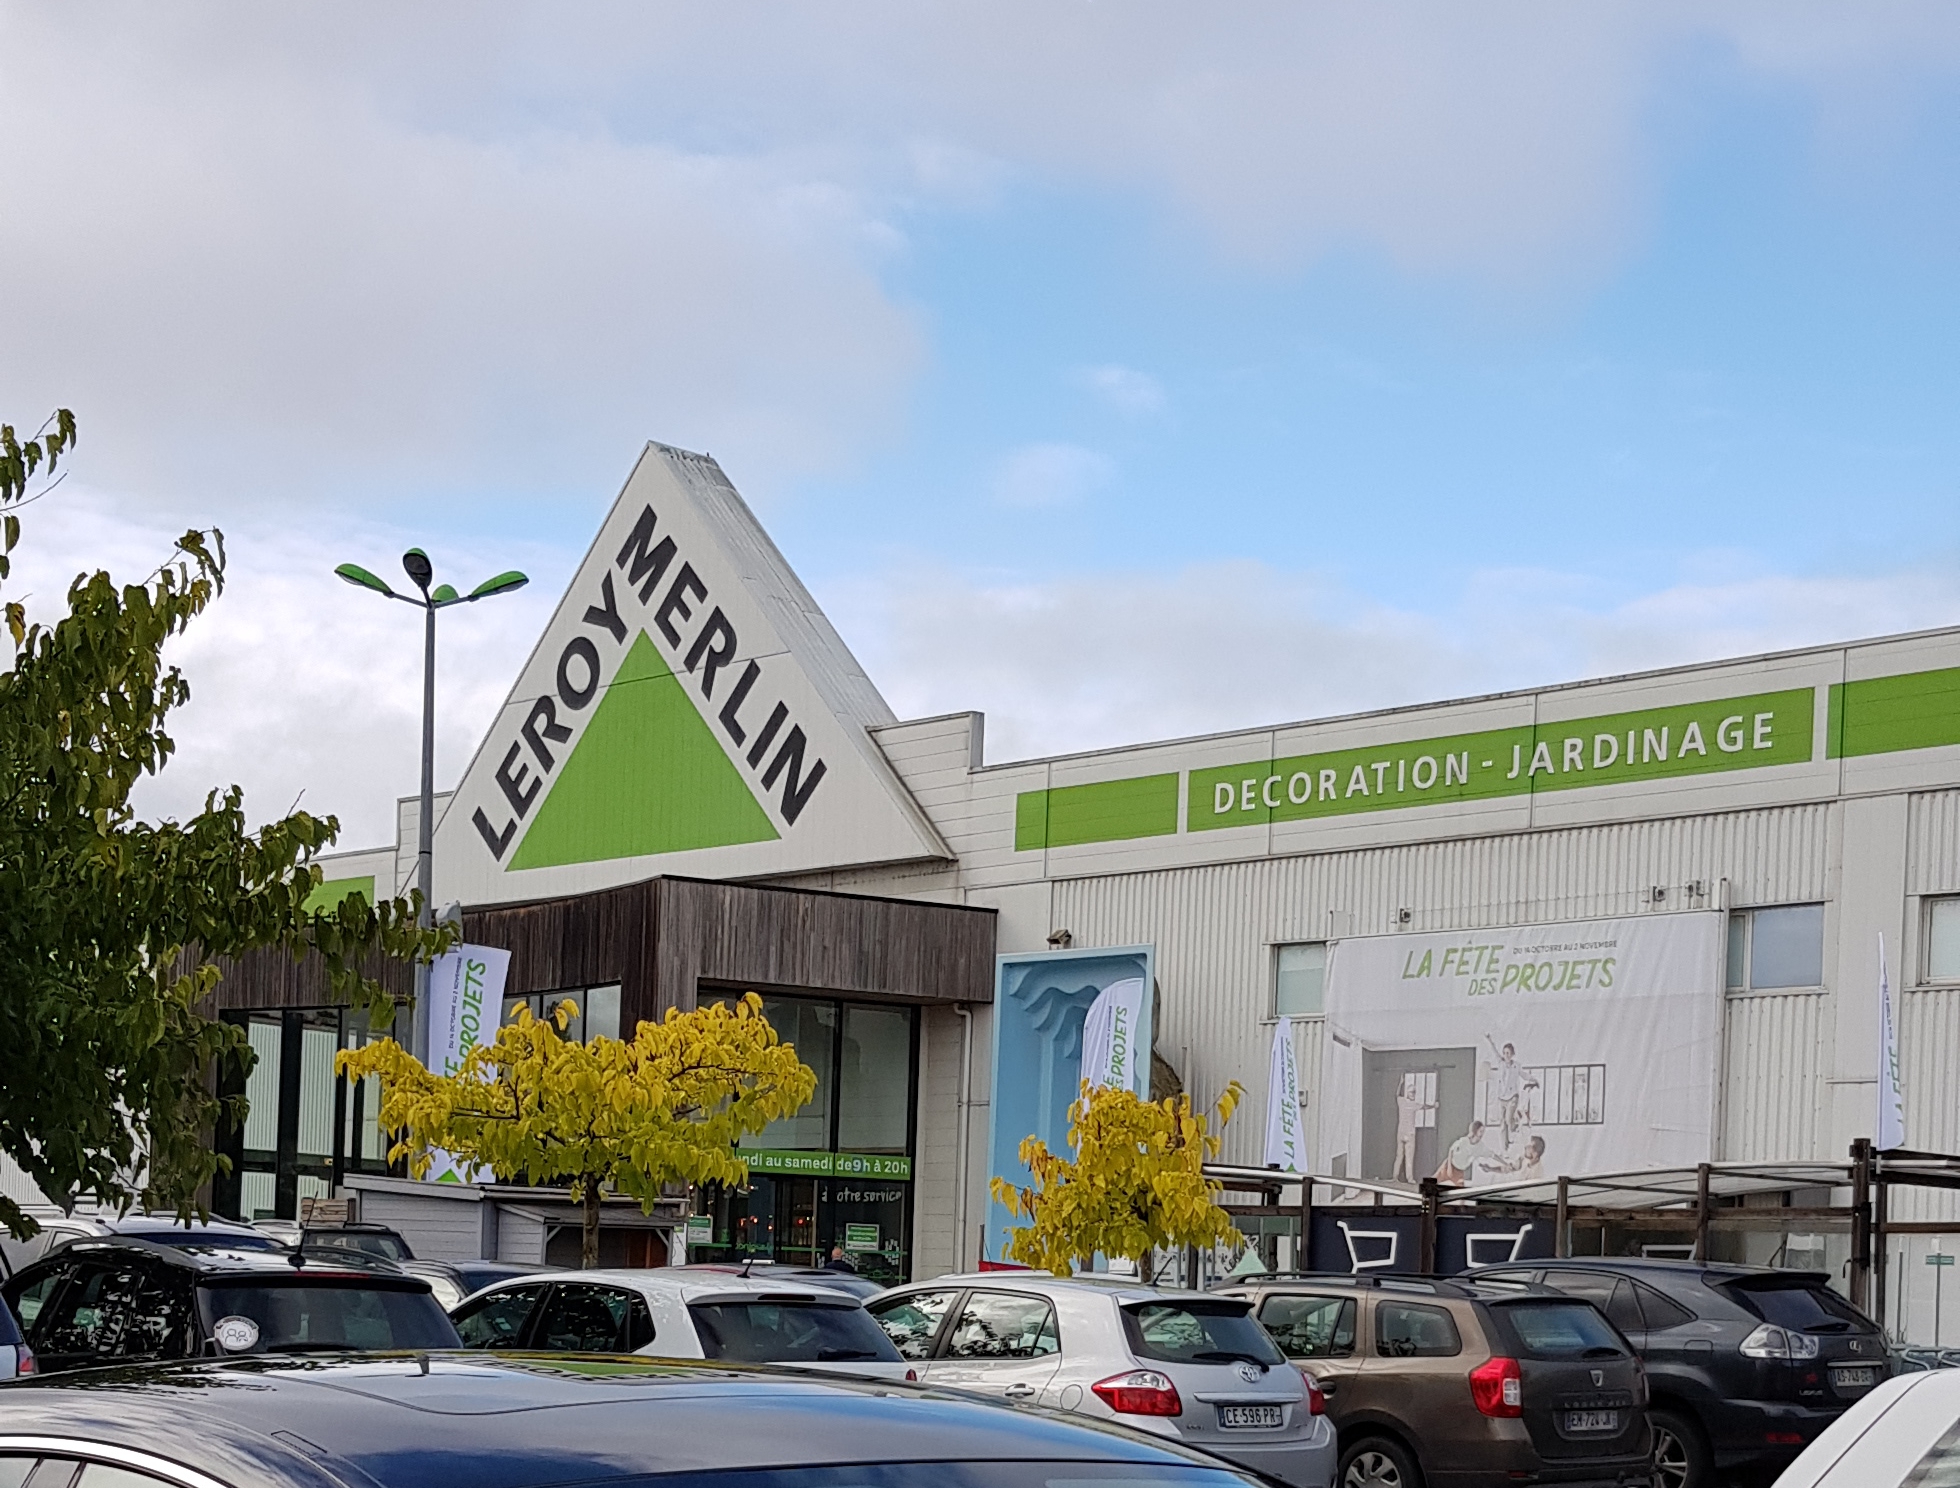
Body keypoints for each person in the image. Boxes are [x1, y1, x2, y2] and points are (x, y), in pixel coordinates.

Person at [1484, 1036, 1538, 1145]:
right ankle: (1505, 1144)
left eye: (1508, 1053)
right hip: (1502, 1096)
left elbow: (1524, 1075)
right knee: (1502, 1123)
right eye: (1504, 1053)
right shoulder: (1501, 1063)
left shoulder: (1516, 1066)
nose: (1506, 1055)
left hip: (1512, 1095)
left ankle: (1514, 1127)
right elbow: (1494, 1051)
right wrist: (1489, 1040)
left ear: (1512, 1054)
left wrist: (1533, 1079)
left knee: (1509, 1118)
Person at [1392, 1074, 1434, 1184]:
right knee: (1406, 1157)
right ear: (1409, 1093)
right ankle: (1405, 1178)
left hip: (1403, 1132)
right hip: (1408, 1133)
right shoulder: (1410, 1103)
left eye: (1414, 1092)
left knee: (1402, 1156)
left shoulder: (1403, 1102)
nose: (1413, 1094)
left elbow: (1397, 1094)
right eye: (1412, 1092)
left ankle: (1400, 1177)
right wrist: (1434, 1106)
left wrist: (1401, 1083)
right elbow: (1425, 1106)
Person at [1434, 1120, 1499, 1186]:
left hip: (1459, 1172)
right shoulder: (1464, 1141)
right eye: (1481, 1131)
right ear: (1475, 1130)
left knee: (1460, 1190)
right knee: (1431, 1183)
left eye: (1483, 1132)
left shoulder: (1480, 1146)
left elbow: (1492, 1155)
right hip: (1448, 1165)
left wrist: (1504, 1162)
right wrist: (1449, 1168)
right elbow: (1451, 1149)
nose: (1482, 1134)